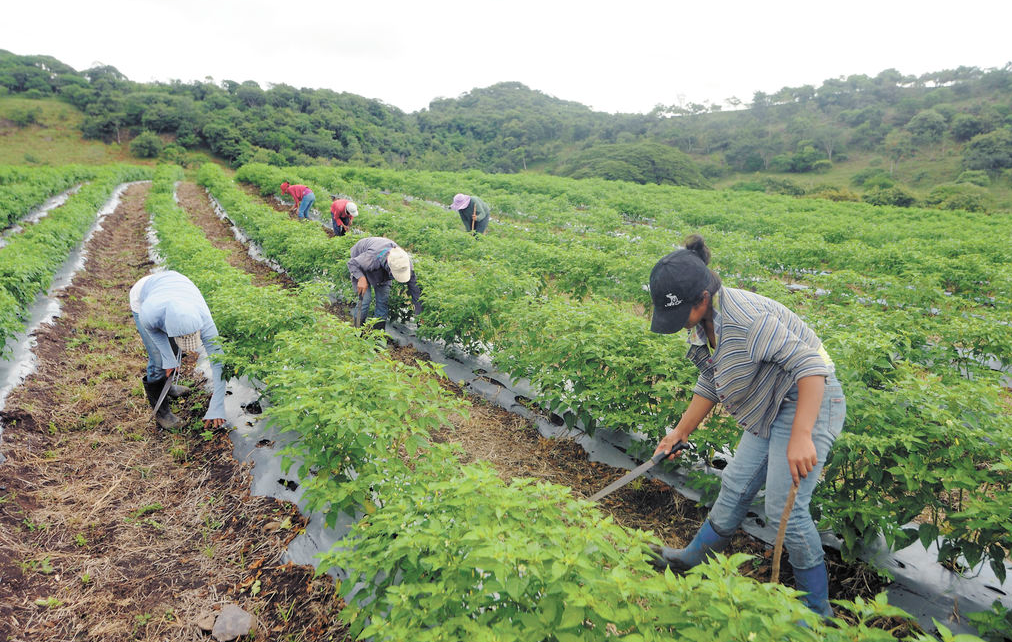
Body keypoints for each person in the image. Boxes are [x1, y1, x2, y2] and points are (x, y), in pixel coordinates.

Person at [646, 234, 845, 618]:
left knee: (784, 509)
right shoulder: (705, 322)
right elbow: (713, 380)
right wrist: (680, 432)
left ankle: (818, 614)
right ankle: (693, 560)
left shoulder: (747, 321)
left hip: (808, 401)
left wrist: (802, 435)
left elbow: (811, 367)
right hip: (770, 403)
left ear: (702, 298)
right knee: (735, 484)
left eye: (679, 313)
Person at [130, 271, 227, 431]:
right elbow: (154, 331)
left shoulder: (204, 318)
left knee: (173, 351)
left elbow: (219, 362)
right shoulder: (150, 313)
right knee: (159, 360)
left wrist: (217, 405)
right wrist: (168, 359)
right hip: (144, 294)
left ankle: (168, 388)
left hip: (176, 286)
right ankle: (162, 413)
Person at [347, 237, 422, 331]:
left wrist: (419, 312)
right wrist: (361, 278)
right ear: (390, 268)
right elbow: (352, 263)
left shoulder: (404, 264)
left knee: (382, 302)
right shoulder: (371, 258)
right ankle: (358, 332)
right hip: (361, 262)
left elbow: (414, 289)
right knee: (365, 300)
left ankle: (378, 335)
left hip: (381, 266)